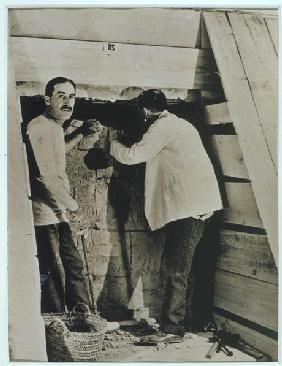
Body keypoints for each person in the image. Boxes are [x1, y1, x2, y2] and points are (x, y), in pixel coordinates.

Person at [109, 89, 223, 342]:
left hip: (191, 210)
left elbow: (134, 155)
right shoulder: (180, 125)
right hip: (193, 207)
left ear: (145, 111)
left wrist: (113, 143)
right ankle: (180, 321)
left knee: (176, 269)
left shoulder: (163, 127)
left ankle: (174, 327)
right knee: (179, 267)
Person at [26, 76, 97, 316]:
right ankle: (56, 323)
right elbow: (48, 176)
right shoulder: (40, 126)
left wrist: (80, 134)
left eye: (71, 96)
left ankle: (82, 316)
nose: (68, 102)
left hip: (59, 208)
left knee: (74, 265)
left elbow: (56, 152)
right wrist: (75, 208)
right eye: (61, 96)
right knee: (53, 270)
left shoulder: (54, 126)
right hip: (44, 211)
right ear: (47, 99)